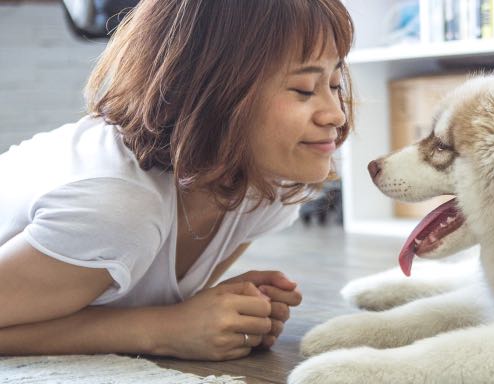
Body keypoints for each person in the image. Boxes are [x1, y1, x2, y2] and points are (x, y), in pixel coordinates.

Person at [0, 0, 354, 361]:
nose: (336, 114)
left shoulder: (265, 189)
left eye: (336, 83)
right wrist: (161, 330)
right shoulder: (117, 208)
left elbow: (148, 298)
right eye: (304, 89)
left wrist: (224, 309)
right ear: (212, 89)